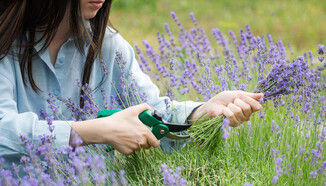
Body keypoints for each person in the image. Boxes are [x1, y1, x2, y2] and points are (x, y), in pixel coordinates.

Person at [0, 0, 263, 161]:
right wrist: (97, 131)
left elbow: (152, 112)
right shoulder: (5, 42)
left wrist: (202, 111)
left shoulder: (108, 46)